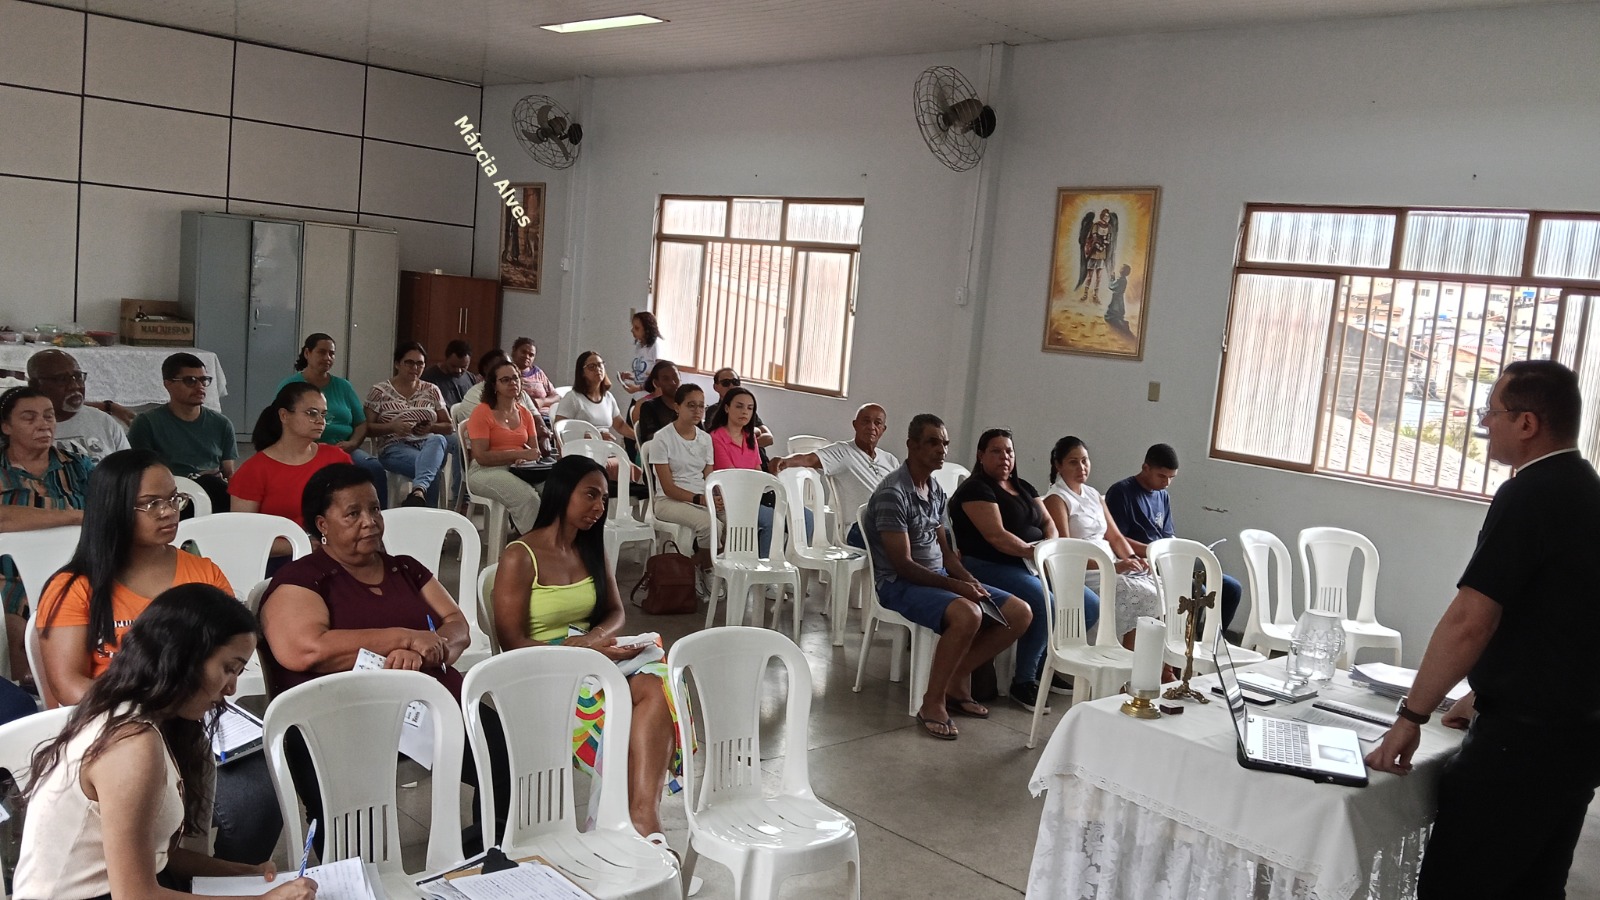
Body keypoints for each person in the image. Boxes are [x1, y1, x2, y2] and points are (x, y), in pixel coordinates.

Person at [1366, 361, 1600, 899]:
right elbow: (1564, 616)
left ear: (1527, 423)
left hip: (1520, 749)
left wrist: (1410, 717)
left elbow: (1470, 620)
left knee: (1461, 884)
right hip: (1578, 736)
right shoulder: (1587, 490)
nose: (1485, 424)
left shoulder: (1529, 494)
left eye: (1492, 413)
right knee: (1535, 885)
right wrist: (1484, 688)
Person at [36, 449, 282, 865]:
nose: (169, 512)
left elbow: (230, 652)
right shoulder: (76, 586)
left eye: (173, 499)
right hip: (115, 725)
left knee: (259, 799)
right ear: (114, 507)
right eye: (151, 503)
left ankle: (216, 879)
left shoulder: (202, 572)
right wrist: (154, 707)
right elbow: (69, 684)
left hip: (198, 719)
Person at [257, 464, 502, 853]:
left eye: (374, 509)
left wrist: (432, 648)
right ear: (322, 524)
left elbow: (456, 624)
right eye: (353, 513)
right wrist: (401, 639)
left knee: (503, 756)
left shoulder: (404, 568)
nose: (370, 521)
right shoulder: (304, 578)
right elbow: (305, 649)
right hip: (341, 717)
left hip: (430, 705)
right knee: (351, 833)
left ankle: (486, 854)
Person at [15, 585, 316, 900]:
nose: (231, 688)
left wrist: (244, 873)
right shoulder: (129, 744)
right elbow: (135, 896)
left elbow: (158, 856)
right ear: (184, 655)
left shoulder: (154, 722)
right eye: (229, 668)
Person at [491, 455, 682, 846]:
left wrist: (594, 642)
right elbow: (511, 642)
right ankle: (631, 825)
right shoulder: (520, 556)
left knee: (658, 682)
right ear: (563, 493)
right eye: (590, 495)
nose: (599, 507)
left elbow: (616, 612)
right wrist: (577, 652)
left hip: (592, 659)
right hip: (542, 670)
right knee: (626, 710)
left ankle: (643, 816)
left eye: (604, 499)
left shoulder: (590, 549)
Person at [862, 414, 1031, 740]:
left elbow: (947, 553)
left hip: (936, 577)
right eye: (933, 442)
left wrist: (970, 581)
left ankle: (955, 678)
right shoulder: (893, 494)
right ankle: (932, 701)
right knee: (968, 613)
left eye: (945, 443)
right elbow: (903, 565)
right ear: (912, 445)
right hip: (899, 584)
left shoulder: (935, 490)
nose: (942, 450)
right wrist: (957, 587)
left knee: (1019, 612)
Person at [948, 429, 1065, 712]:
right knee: (1045, 602)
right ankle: (1024, 681)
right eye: (996, 451)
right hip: (987, 565)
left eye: (1009, 451)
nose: (1005, 457)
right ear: (981, 455)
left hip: (1029, 564)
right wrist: (1033, 552)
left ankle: (1041, 664)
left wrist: (1048, 544)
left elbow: (1049, 522)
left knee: (1087, 603)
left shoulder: (1023, 486)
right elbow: (996, 536)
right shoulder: (976, 489)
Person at [0, 386, 92, 681]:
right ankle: (27, 696)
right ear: (6, 426)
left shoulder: (77, 466)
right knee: (16, 627)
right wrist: (73, 516)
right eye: (29, 418)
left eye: (49, 416)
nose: (43, 424)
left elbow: (106, 510)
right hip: (10, 577)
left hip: (75, 570)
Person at [1104, 443, 1240, 629]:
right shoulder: (1121, 492)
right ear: (1145, 468)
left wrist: (1186, 552)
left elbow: (1168, 536)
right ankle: (1185, 641)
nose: (1166, 483)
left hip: (1167, 560)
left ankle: (1213, 639)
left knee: (1231, 588)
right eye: (1162, 476)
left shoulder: (1163, 495)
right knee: (1196, 589)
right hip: (1145, 564)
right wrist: (1153, 551)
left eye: (1171, 478)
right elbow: (1115, 538)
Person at [1041, 436, 1154, 648]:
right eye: (1073, 462)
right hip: (1087, 571)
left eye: (1084, 460)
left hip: (1111, 563)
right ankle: (1121, 656)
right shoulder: (1057, 499)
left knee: (1158, 585)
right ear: (1059, 465)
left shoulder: (1093, 494)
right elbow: (1067, 552)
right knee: (1145, 594)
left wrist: (1132, 559)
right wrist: (1112, 566)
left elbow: (1115, 536)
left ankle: (1138, 659)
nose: (1081, 467)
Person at [228, 383, 350, 561]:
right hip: (279, 559)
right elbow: (242, 537)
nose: (320, 420)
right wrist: (302, 544)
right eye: (311, 413)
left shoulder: (336, 458)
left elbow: (357, 508)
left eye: (323, 414)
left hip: (336, 555)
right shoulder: (254, 470)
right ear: (284, 415)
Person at [279, 333, 386, 507]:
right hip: (305, 449)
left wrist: (353, 443)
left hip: (344, 449)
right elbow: (279, 422)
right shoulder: (290, 386)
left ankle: (376, 517)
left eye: (332, 353)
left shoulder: (343, 386)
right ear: (307, 353)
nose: (327, 358)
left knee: (374, 468)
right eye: (322, 352)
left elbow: (361, 423)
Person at [771, 403, 897, 546]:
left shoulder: (890, 460)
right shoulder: (842, 452)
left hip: (891, 523)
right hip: (861, 527)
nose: (871, 427)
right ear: (855, 425)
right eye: (866, 421)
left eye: (877, 423)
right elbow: (809, 459)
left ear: (883, 429)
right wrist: (784, 461)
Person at [128, 352, 236, 514]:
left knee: (214, 485)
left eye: (204, 380)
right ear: (168, 384)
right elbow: (142, 472)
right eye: (190, 381)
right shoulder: (146, 423)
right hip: (170, 495)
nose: (200, 387)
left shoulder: (222, 424)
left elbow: (229, 473)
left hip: (212, 492)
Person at [366, 342, 453, 508]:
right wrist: (392, 427)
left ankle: (418, 493)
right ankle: (426, 513)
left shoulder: (431, 389)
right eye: (409, 363)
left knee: (438, 439)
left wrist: (431, 427)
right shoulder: (380, 391)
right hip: (394, 447)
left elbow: (449, 427)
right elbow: (367, 429)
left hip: (427, 445)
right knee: (430, 469)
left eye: (420, 364)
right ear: (397, 364)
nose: (415, 368)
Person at [464, 360, 545, 533]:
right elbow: (482, 457)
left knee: (554, 491)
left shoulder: (525, 413)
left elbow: (534, 452)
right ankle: (534, 544)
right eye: (505, 380)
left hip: (520, 469)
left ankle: (550, 540)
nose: (513, 383)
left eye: (516, 378)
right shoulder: (482, 412)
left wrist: (526, 458)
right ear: (494, 386)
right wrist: (518, 454)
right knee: (528, 498)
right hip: (484, 471)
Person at [646, 384, 714, 572]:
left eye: (701, 406)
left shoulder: (705, 439)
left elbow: (709, 478)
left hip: (700, 498)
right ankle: (705, 571)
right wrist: (700, 499)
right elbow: (668, 488)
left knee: (735, 520)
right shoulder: (662, 438)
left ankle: (696, 565)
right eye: (691, 405)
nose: (697, 410)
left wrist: (713, 497)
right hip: (668, 501)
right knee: (710, 525)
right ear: (677, 407)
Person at [27, 348, 130, 462]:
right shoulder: (24, 429)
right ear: (35, 385)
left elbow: (129, 469)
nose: (75, 386)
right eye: (62, 379)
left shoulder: (103, 421)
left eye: (78, 377)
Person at [554, 351, 634, 445]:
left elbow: (620, 425)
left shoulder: (608, 397)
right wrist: (597, 436)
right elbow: (559, 432)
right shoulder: (572, 398)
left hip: (605, 448)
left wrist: (639, 438)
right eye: (592, 366)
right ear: (582, 373)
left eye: (600, 365)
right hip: (581, 448)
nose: (598, 369)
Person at [702, 368, 774, 449]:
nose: (731, 386)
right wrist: (751, 435)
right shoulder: (712, 411)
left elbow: (769, 438)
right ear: (716, 387)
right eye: (726, 383)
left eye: (735, 382)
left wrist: (748, 443)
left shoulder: (746, 408)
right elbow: (718, 440)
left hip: (756, 455)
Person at [631, 360, 681, 448]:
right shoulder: (649, 407)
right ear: (656, 383)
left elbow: (700, 434)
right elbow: (652, 440)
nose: (673, 382)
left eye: (675, 377)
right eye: (666, 379)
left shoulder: (687, 404)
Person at [620, 311, 668, 399]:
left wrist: (639, 388)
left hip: (651, 398)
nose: (632, 330)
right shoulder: (639, 346)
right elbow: (644, 375)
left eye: (637, 328)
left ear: (647, 330)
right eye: (633, 327)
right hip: (638, 397)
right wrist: (631, 376)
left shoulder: (656, 346)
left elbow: (660, 377)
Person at [422, 339, 479, 409]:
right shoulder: (428, 377)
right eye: (453, 366)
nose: (458, 371)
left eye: (463, 367)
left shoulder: (470, 378)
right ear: (446, 359)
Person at [511, 336, 560, 415]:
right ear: (514, 351)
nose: (527, 357)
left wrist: (542, 401)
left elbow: (557, 397)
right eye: (523, 352)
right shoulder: (507, 372)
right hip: (522, 416)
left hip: (546, 415)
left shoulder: (538, 373)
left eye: (531, 355)